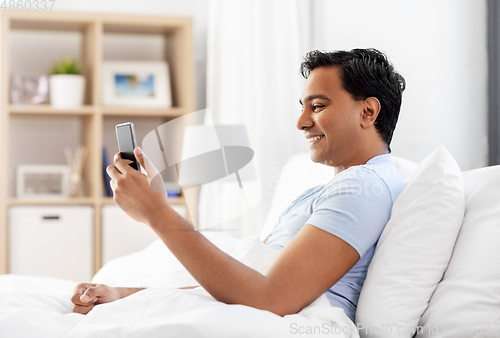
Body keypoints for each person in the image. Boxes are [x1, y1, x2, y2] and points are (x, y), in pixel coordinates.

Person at [71, 48, 406, 322]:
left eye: (317, 106)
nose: (302, 122)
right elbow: (238, 284)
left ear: (368, 112)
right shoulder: (326, 192)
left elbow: (270, 298)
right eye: (303, 107)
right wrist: (124, 295)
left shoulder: (364, 187)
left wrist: (157, 213)